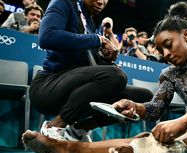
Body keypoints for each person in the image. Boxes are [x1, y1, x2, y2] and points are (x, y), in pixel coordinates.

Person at [22, 1, 187, 153]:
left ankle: (155, 152)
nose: (165, 54)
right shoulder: (169, 74)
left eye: (168, 45)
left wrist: (183, 121)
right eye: (160, 50)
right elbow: (155, 108)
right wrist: (134, 106)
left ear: (186, 35)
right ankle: (70, 149)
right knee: (149, 137)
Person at [30, 0, 153, 142]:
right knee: (116, 76)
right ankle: (54, 127)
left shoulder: (90, 22)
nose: (101, 1)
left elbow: (89, 64)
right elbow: (46, 37)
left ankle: (80, 129)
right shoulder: (63, 3)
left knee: (143, 96)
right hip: (48, 86)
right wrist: (98, 40)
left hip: (77, 89)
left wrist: (107, 61)